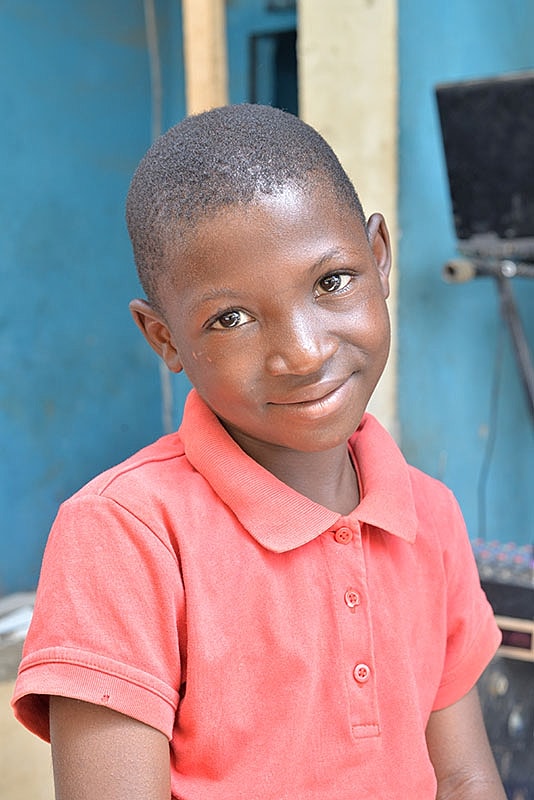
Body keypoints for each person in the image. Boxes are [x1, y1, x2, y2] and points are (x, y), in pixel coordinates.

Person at [12, 104, 506, 799]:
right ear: (164, 340)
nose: (303, 353)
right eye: (231, 318)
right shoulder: (125, 535)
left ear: (380, 257)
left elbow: (462, 777)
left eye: (332, 281)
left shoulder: (430, 515)